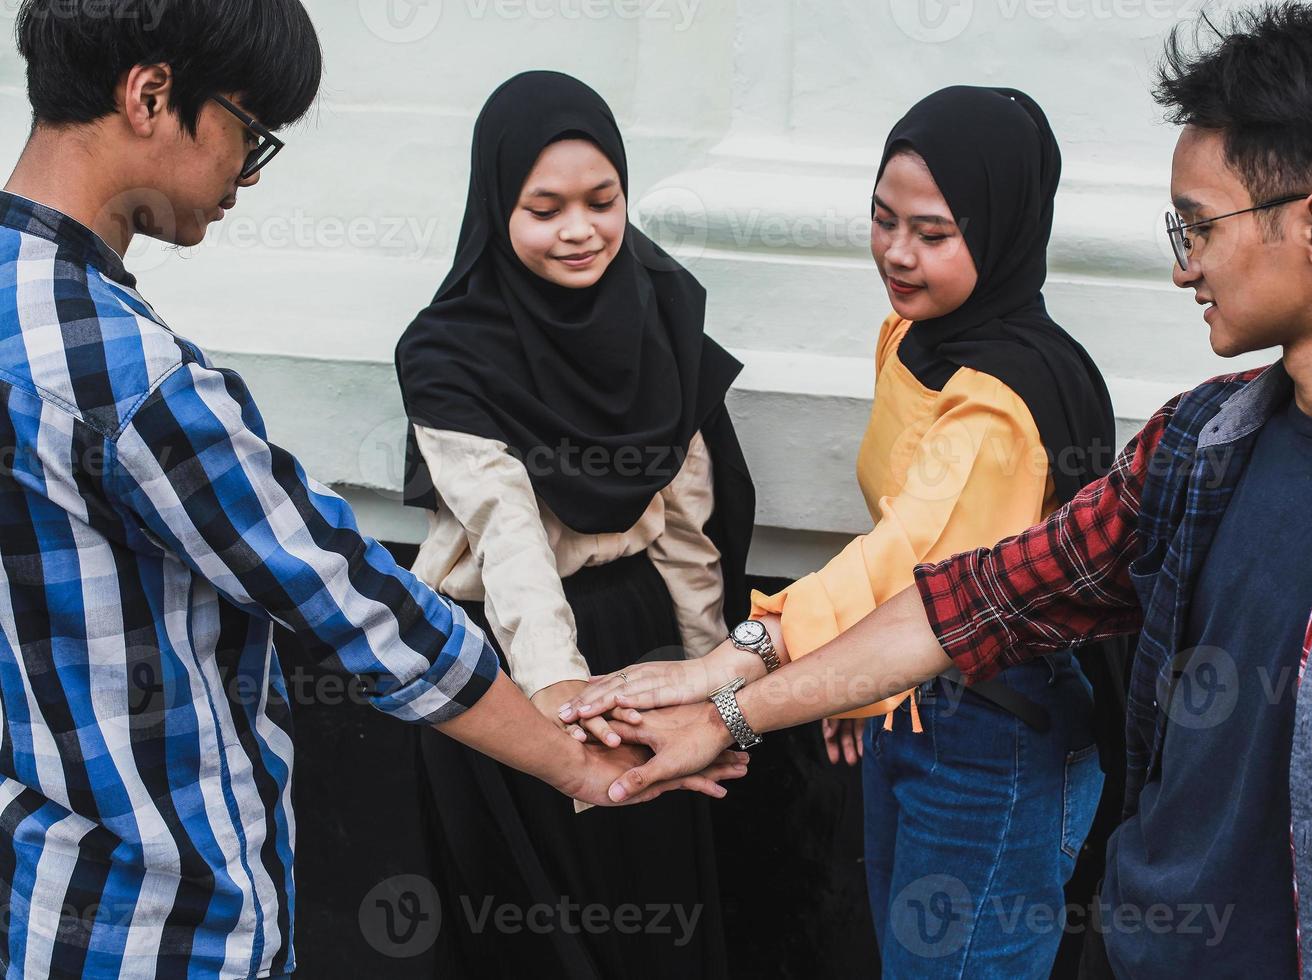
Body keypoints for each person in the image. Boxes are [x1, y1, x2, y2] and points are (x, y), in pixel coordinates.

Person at [564, 3, 1312, 976]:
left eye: (1198, 225)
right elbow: (981, 595)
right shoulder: (1200, 444)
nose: (1180, 265)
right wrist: (725, 696)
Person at [0, 5, 745, 977]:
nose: (248, 174)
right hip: (165, 918)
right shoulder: (129, 376)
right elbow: (355, 596)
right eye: (248, 129)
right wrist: (580, 758)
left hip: (36, 892)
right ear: (149, 96)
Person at [599, 85, 1118, 976]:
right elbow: (905, 519)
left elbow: (903, 557)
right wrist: (861, 687)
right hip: (911, 697)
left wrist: (733, 665)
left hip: (996, 728)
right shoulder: (915, 337)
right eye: (883, 220)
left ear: (1000, 232)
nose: (897, 253)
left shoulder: (1005, 398)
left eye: (933, 233)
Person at [394, 71, 755, 978]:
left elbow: (686, 523)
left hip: (639, 638)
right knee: (530, 932)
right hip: (509, 666)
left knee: (649, 917)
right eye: (543, 208)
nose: (580, 230)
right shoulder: (448, 350)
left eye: (602, 201)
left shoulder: (662, 310)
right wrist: (561, 707)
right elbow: (506, 533)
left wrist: (712, 685)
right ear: (496, 209)